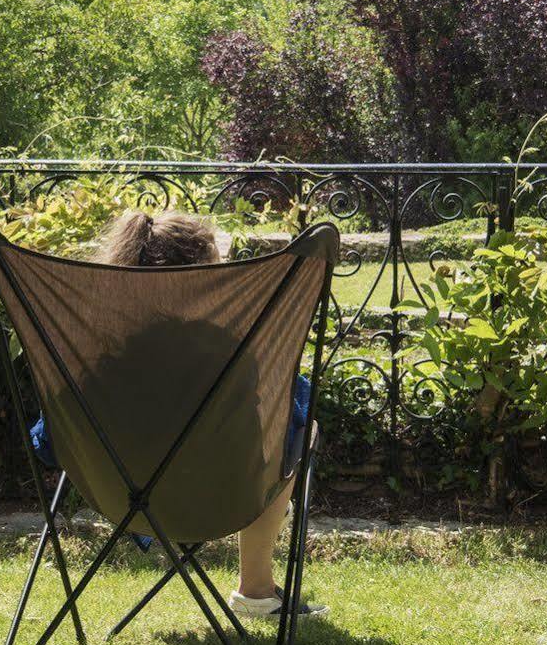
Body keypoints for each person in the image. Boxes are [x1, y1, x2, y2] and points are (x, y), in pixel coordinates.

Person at [28, 209, 325, 620]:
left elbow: (46, 442)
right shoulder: (229, 350)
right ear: (201, 281)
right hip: (222, 499)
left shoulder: (93, 353)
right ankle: (256, 586)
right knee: (298, 428)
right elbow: (277, 424)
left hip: (115, 497)